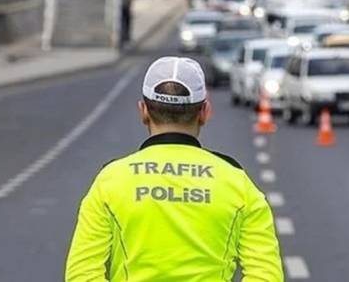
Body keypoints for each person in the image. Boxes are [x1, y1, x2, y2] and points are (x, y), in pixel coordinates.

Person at [65, 57, 283, 281]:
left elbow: (82, 274)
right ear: (204, 112)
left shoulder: (110, 181)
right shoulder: (237, 183)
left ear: (144, 111)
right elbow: (266, 275)